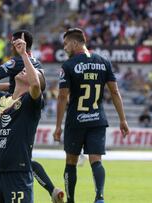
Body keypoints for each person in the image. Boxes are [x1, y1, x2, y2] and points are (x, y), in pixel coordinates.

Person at [53, 28, 130, 203]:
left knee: (71, 161)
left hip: (76, 121)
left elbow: (62, 97)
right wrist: (122, 119)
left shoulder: (68, 65)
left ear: (74, 43)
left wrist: (58, 126)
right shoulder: (104, 62)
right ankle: (100, 198)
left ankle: (71, 200)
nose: (64, 48)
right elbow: (115, 92)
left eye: (65, 44)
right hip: (97, 119)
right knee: (96, 160)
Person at [0, 30, 64, 203]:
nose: (12, 45)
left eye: (13, 42)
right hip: (22, 99)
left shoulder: (17, 61)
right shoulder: (35, 63)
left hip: (23, 102)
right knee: (24, 158)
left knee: (22, 159)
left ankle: (52, 189)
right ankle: (52, 189)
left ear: (20, 44)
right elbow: (13, 84)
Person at [0, 33, 43, 203]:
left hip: (18, 171)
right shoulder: (4, 100)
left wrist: (23, 54)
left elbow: (36, 85)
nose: (23, 70)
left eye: (26, 71)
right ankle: (52, 190)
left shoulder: (30, 100)